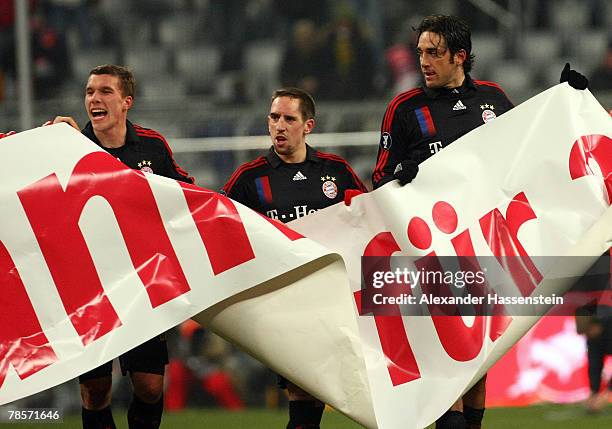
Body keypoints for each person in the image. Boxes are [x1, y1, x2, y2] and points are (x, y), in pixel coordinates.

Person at [371, 14, 589, 429]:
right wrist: (401, 171)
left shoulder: (491, 99)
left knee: (476, 361)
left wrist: (566, 102)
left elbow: (528, 148)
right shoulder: (404, 108)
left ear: (460, 56)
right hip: (434, 253)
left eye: (434, 53)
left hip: (485, 247)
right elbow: (379, 179)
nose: (424, 62)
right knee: (452, 363)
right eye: (420, 53)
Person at [52, 64, 193, 429]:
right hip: (88, 287)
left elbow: (185, 198)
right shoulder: (67, 145)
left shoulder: (152, 147)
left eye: (104, 92)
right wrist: (48, 142)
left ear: (127, 101)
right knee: (96, 390)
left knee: (148, 386)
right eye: (89, 92)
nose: (94, 99)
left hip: (140, 284)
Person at [222, 87, 367, 429]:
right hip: (283, 302)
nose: (279, 126)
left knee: (313, 397)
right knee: (303, 393)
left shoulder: (335, 171)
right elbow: (220, 227)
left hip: (330, 298)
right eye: (274, 117)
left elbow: (366, 221)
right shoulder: (249, 179)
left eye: (289, 118)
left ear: (308, 126)